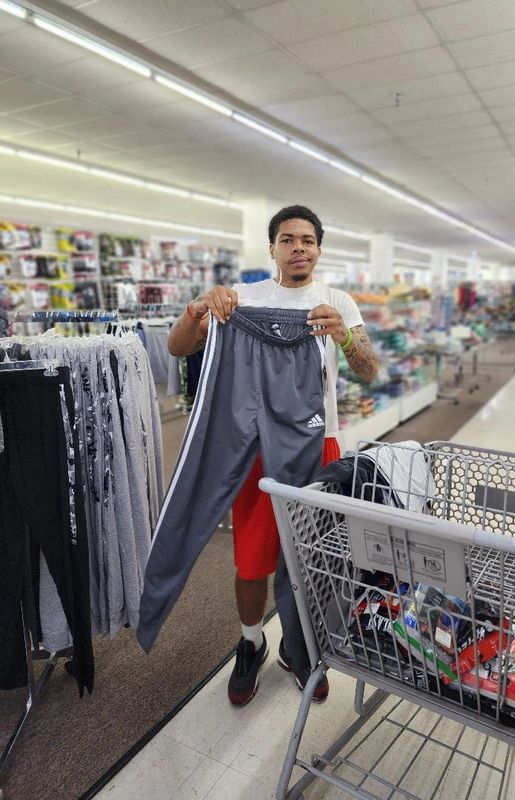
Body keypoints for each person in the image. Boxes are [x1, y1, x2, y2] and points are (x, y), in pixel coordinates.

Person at [167, 205, 378, 705]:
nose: (298, 247)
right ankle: (251, 640)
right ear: (272, 248)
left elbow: (368, 369)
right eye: (288, 239)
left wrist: (345, 336)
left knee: (311, 556)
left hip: (319, 441)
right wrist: (197, 310)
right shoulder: (245, 299)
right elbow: (178, 348)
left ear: (319, 248)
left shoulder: (338, 301)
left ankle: (300, 647)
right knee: (252, 556)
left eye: (307, 239)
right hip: (257, 445)